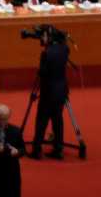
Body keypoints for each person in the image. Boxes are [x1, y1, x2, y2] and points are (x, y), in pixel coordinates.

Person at [31, 29, 70, 159]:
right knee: (57, 119)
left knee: (42, 120)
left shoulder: (46, 53)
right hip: (61, 90)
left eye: (44, 36)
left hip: (48, 91)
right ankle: (58, 149)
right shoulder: (65, 49)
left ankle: (37, 150)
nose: (43, 39)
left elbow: (42, 73)